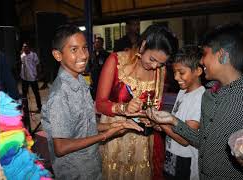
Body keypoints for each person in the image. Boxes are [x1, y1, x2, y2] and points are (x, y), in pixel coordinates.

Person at [146, 23, 243, 180]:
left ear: (222, 55)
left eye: (204, 54)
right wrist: (173, 120)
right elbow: (201, 140)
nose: (202, 61)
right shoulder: (209, 96)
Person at [41, 24, 143, 180]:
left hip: (91, 165)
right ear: (58, 55)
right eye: (74, 50)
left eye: (85, 48)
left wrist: (114, 126)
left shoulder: (80, 81)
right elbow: (61, 147)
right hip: (75, 172)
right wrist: (105, 136)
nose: (83, 55)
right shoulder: (60, 95)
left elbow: (83, 127)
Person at [95, 24, 178, 180]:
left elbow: (156, 106)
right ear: (144, 45)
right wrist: (123, 107)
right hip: (116, 136)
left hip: (143, 142)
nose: (154, 66)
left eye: (160, 63)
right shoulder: (117, 61)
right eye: (152, 59)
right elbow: (100, 103)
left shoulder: (161, 72)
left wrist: (152, 118)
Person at [161, 45, 205, 180]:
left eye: (181, 72)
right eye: (174, 72)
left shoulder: (200, 97)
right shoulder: (182, 91)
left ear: (198, 71)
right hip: (172, 152)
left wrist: (161, 123)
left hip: (185, 159)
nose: (175, 77)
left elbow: (185, 139)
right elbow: (176, 121)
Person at [20, 42, 42, 113]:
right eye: (23, 47)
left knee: (36, 93)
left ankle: (39, 107)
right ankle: (25, 108)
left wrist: (38, 74)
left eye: (26, 46)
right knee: (24, 94)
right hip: (24, 78)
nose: (24, 48)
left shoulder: (33, 55)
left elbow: (38, 64)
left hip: (33, 78)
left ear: (29, 47)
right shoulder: (22, 55)